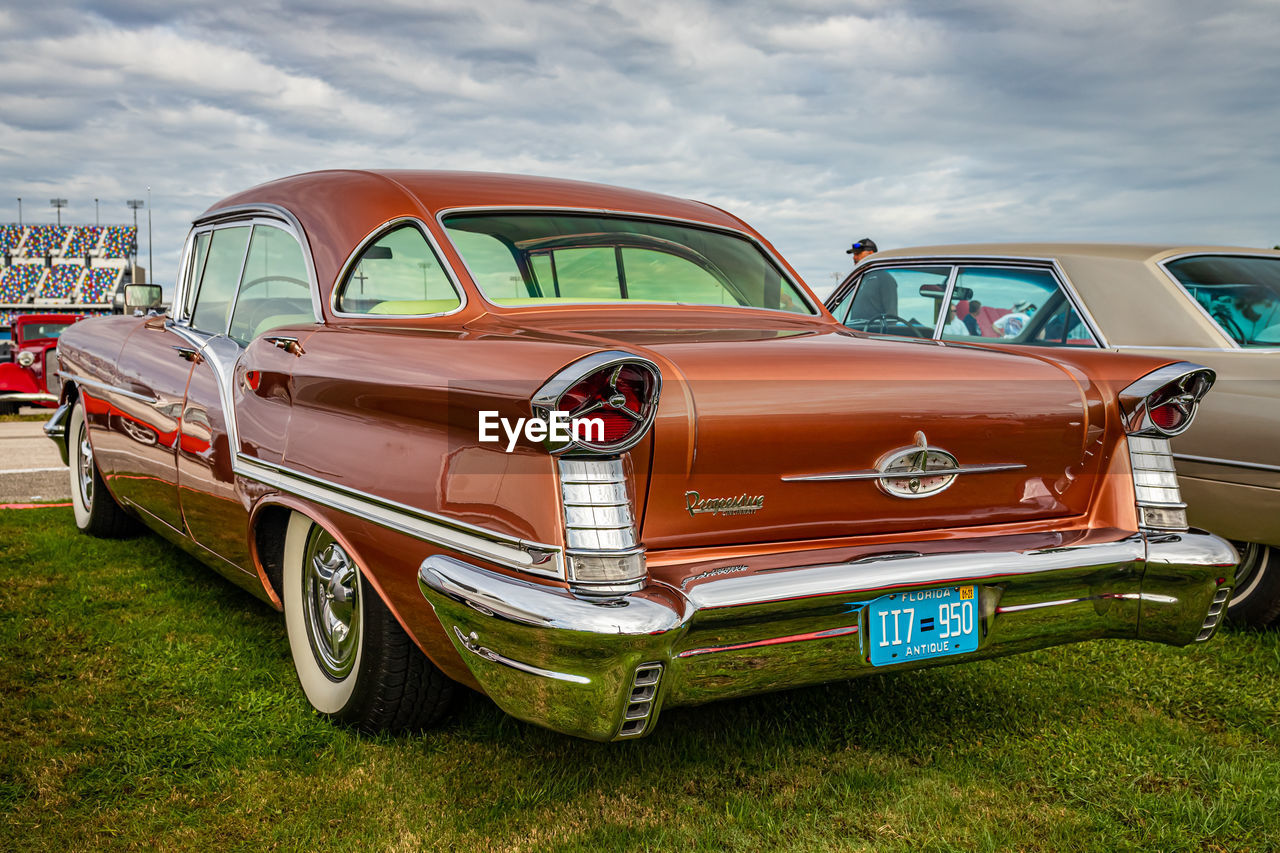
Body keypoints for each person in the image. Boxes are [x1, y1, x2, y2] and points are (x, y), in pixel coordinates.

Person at [844, 238, 898, 322]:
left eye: (858, 253)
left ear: (871, 254)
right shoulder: (859, 279)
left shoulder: (885, 278)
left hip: (872, 333)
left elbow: (892, 318)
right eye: (854, 254)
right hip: (856, 331)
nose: (854, 257)